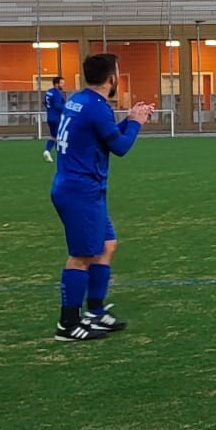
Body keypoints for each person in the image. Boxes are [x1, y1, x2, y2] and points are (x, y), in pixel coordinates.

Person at [50, 52, 156, 341]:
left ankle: (94, 312)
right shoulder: (96, 107)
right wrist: (135, 123)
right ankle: (67, 324)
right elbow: (120, 147)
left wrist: (132, 118)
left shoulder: (82, 100)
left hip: (82, 188)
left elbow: (104, 136)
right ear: (112, 78)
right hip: (80, 190)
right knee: (81, 256)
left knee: (106, 245)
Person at [41, 76, 66, 161]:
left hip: (49, 117)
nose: (63, 85)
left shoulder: (49, 92)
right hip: (57, 118)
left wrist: (50, 109)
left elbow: (44, 102)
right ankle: (50, 151)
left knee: (54, 135)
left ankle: (51, 152)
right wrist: (66, 110)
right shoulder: (57, 93)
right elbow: (58, 105)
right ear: (56, 84)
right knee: (59, 136)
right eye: (61, 83)